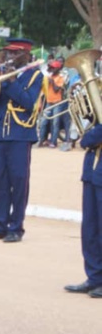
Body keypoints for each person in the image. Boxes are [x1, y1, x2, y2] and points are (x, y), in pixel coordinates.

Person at [0, 38, 45, 243]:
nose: (10, 57)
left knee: (18, 181)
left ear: (26, 55)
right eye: (8, 53)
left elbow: (28, 102)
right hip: (0, 133)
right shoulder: (3, 74)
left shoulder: (35, 75)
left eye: (14, 54)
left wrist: (10, 82)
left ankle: (16, 226)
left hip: (20, 134)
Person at [64, 123, 102, 297]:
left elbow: (90, 138)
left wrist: (89, 137)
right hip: (92, 170)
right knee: (90, 229)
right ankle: (94, 278)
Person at [38, 60, 66, 147]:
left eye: (53, 68)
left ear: (57, 69)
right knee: (43, 122)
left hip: (57, 103)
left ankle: (54, 142)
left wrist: (52, 81)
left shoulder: (60, 78)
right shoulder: (48, 76)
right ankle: (42, 140)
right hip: (48, 102)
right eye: (50, 68)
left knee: (55, 123)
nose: (51, 69)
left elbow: (57, 89)